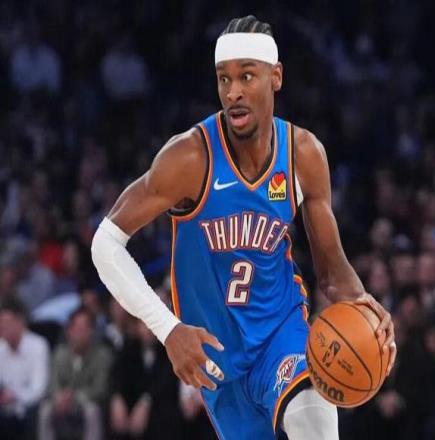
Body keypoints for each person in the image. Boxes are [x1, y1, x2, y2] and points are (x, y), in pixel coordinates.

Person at [91, 15, 396, 440]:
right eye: (224, 79)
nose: (233, 92)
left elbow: (331, 272)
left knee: (315, 428)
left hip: (282, 333)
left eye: (246, 76)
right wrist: (169, 329)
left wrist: (363, 303)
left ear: (276, 77)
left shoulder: (303, 154)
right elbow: (105, 244)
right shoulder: (190, 158)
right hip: (218, 362)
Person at [38, 307, 113, 440]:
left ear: (92, 331)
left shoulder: (102, 356)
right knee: (46, 410)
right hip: (62, 402)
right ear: (69, 331)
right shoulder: (60, 354)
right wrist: (59, 397)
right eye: (76, 329)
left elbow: (100, 387)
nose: (80, 334)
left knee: (92, 411)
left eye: (84, 329)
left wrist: (74, 397)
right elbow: (53, 383)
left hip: (86, 401)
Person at [0, 298, 50, 439]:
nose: (2, 328)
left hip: (28, 410)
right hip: (4, 410)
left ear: (20, 322)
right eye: (1, 324)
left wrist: (15, 395)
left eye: (7, 323)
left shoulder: (38, 346)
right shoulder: (1, 349)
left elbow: (39, 390)